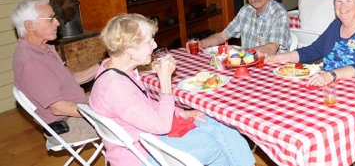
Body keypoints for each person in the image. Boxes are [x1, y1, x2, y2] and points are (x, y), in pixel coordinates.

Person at [90, 14, 255, 166]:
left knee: (223, 126)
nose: (154, 45)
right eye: (149, 42)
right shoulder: (115, 86)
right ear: (129, 49)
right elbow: (162, 126)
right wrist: (165, 83)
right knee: (216, 146)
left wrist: (182, 112)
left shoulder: (115, 69)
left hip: (147, 138)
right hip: (141, 155)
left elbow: (145, 106)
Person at [11, 0, 100, 145]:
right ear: (30, 25)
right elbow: (58, 108)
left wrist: (102, 65)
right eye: (50, 19)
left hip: (77, 113)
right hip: (68, 125)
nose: (57, 23)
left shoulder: (43, 49)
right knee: (129, 121)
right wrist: (101, 112)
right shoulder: (31, 62)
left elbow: (70, 80)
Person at [265, 0, 355, 86]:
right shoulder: (336, 25)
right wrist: (276, 58)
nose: (342, 6)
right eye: (338, 1)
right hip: (331, 85)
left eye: (348, 0)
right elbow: (313, 50)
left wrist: (330, 75)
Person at [201, 0, 291, 54]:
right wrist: (201, 43)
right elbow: (222, 36)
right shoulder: (245, 11)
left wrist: (241, 52)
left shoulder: (279, 13)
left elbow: (271, 49)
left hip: (270, 66)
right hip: (246, 63)